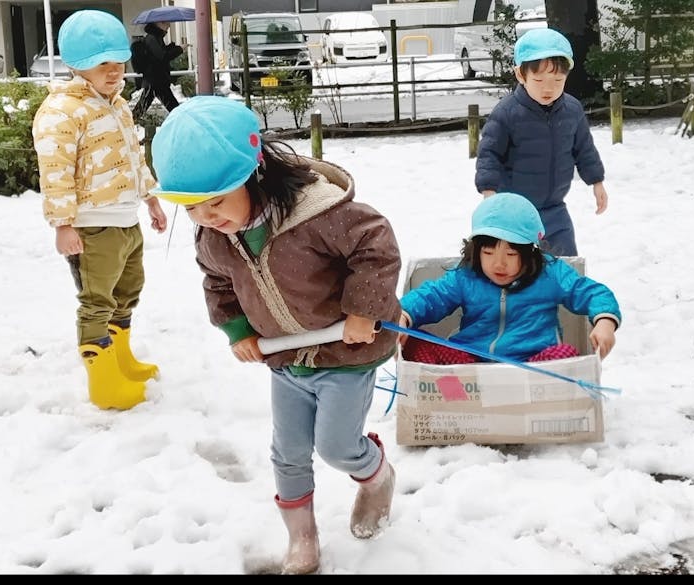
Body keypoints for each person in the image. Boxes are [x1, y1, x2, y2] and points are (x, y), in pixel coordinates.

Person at [149, 96, 402, 575]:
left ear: (255, 173)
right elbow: (218, 281)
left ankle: (376, 476)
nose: (206, 217)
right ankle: (302, 539)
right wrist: (238, 328)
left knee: (337, 447)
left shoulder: (321, 215)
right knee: (287, 452)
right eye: (192, 208)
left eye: (217, 201)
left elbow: (377, 246)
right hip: (286, 361)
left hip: (343, 353)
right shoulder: (216, 238)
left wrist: (363, 311)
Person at [32, 9, 168, 410]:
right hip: (92, 225)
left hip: (126, 219)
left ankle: (120, 356)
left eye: (118, 61)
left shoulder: (116, 104)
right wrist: (62, 224)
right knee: (97, 299)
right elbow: (54, 170)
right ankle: (103, 380)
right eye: (101, 64)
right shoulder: (62, 112)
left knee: (128, 291)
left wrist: (151, 198)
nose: (113, 72)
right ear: (76, 66)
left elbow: (133, 157)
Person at [399, 192, 620, 365]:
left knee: (565, 355)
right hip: (470, 367)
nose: (498, 264)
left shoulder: (550, 273)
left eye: (511, 254)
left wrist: (605, 322)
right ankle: (457, 400)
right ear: (475, 251)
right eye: (488, 253)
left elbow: (592, 292)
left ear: (530, 252)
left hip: (532, 367)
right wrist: (403, 315)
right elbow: (431, 296)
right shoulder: (466, 275)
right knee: (413, 339)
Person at [475, 27, 609, 257]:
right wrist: (489, 191)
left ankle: (564, 293)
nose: (549, 88)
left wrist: (596, 182)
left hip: (555, 209)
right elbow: (489, 154)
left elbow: (584, 149)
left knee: (565, 264)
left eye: (558, 80)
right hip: (514, 211)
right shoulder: (507, 113)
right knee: (520, 267)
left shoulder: (572, 110)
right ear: (521, 75)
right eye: (538, 79)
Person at [131, 21, 183, 119]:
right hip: (156, 80)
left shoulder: (155, 37)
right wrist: (179, 49)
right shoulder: (152, 38)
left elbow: (160, 54)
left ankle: (131, 123)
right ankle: (131, 123)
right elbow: (162, 57)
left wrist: (174, 47)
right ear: (158, 24)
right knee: (173, 108)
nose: (168, 25)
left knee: (143, 107)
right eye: (165, 23)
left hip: (156, 80)